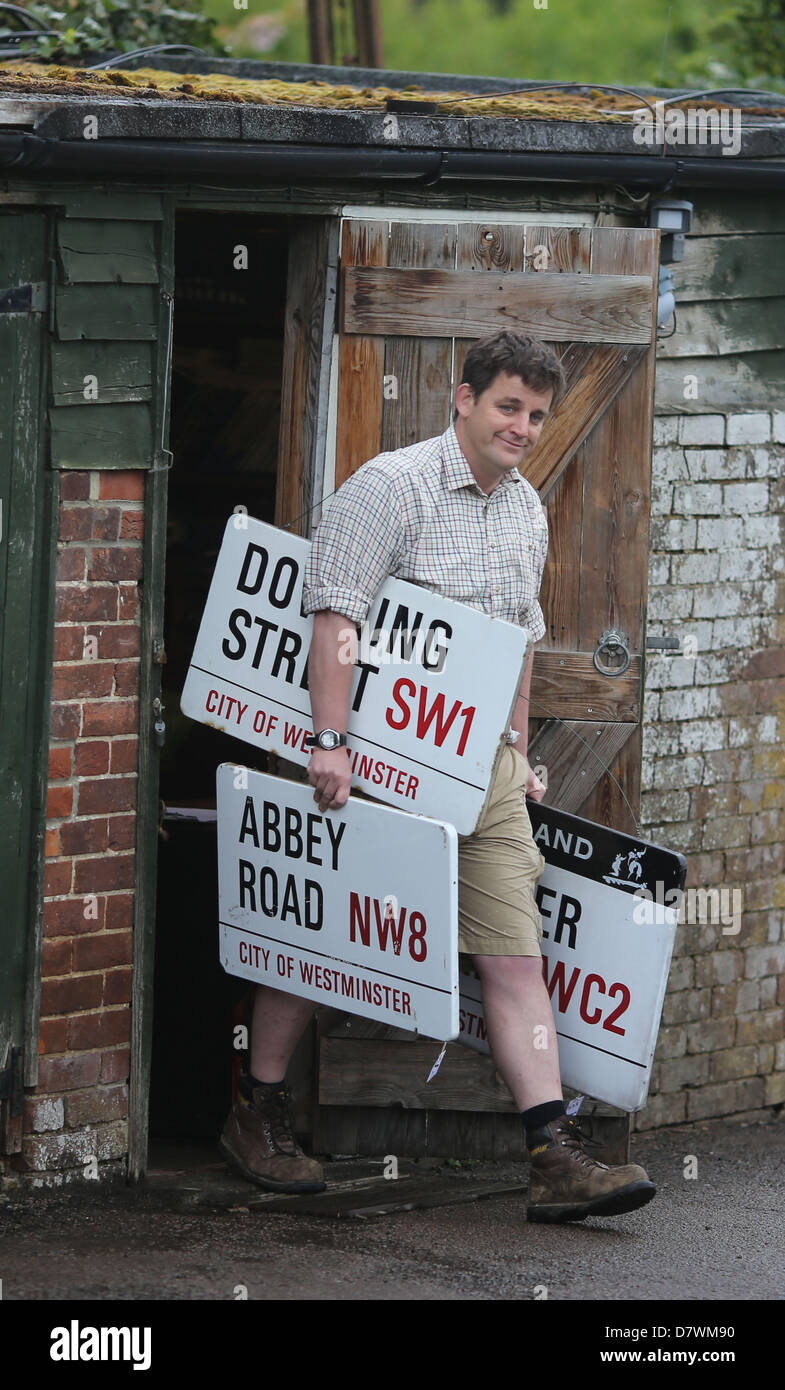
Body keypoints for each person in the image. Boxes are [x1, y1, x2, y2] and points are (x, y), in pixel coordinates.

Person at [219, 330, 656, 1223]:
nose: (522, 427)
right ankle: (254, 1114)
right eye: (507, 407)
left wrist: (517, 748)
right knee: (327, 934)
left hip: (481, 774)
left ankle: (550, 1152)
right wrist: (330, 740)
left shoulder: (526, 508)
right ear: (462, 400)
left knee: (512, 948)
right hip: (374, 758)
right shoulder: (389, 488)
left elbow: (517, 643)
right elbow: (334, 616)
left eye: (535, 415)